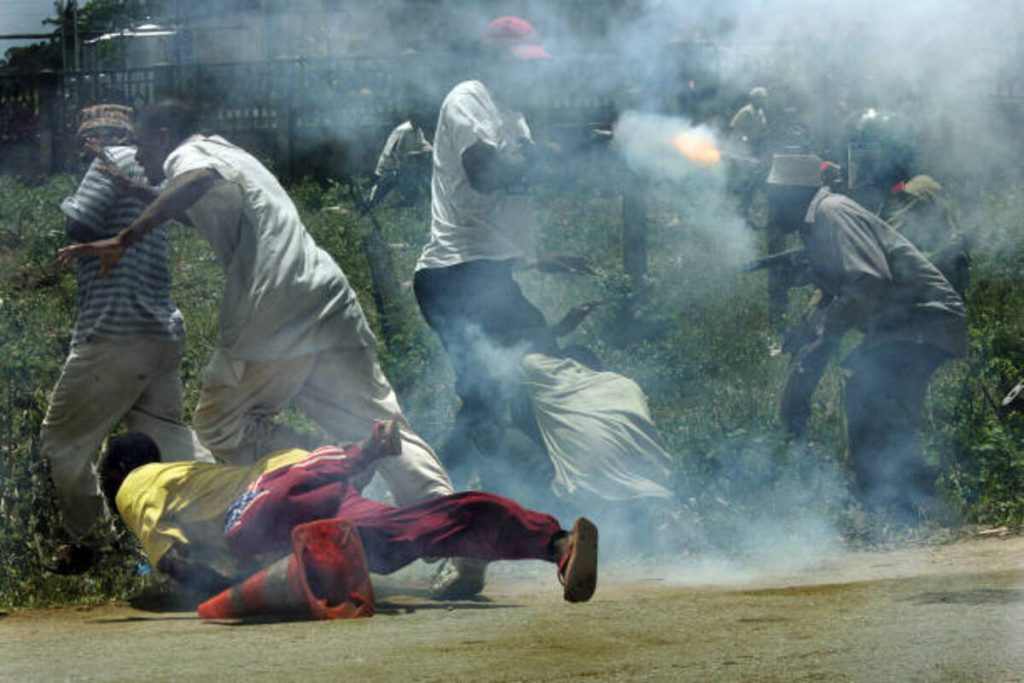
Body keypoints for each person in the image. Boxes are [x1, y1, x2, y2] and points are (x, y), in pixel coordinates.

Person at [59, 100, 484, 597]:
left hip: (274, 307)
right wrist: (137, 191)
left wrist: (125, 238)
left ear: (165, 135)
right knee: (379, 424)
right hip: (324, 293)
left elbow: (193, 180)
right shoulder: (229, 154)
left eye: (142, 146)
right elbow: (199, 204)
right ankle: (458, 536)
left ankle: (311, 470)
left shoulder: (187, 157)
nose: (139, 158)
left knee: (218, 422)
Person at [96, 421, 599, 603]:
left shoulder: (136, 483)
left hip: (265, 499)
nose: (109, 491)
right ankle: (557, 544)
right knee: (408, 534)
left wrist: (229, 595)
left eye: (106, 480)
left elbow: (172, 561)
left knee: (244, 536)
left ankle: (365, 452)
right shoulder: (183, 477)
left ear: (122, 468)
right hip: (308, 472)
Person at [413, 16, 584, 485]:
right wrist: (536, 155)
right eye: (518, 63)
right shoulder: (468, 99)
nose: (528, 73)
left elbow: (503, 209)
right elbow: (484, 175)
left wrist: (536, 259)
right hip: (454, 276)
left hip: (486, 275)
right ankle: (449, 495)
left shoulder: (516, 118)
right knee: (501, 388)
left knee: (517, 378)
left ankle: (451, 493)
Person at [42, 104, 210, 575]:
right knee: (169, 438)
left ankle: (95, 542)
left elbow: (77, 224)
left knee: (62, 442)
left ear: (94, 139)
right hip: (160, 329)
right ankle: (229, 514)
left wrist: (72, 195)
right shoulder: (152, 174)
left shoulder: (109, 161)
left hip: (114, 331)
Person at [766, 153, 967, 519]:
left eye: (775, 195)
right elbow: (841, 295)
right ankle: (896, 501)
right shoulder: (819, 221)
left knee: (869, 390)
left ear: (793, 194)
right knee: (869, 390)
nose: (770, 205)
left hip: (923, 318)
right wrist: (810, 335)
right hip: (905, 324)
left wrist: (829, 332)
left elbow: (868, 279)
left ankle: (896, 504)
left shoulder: (831, 212)